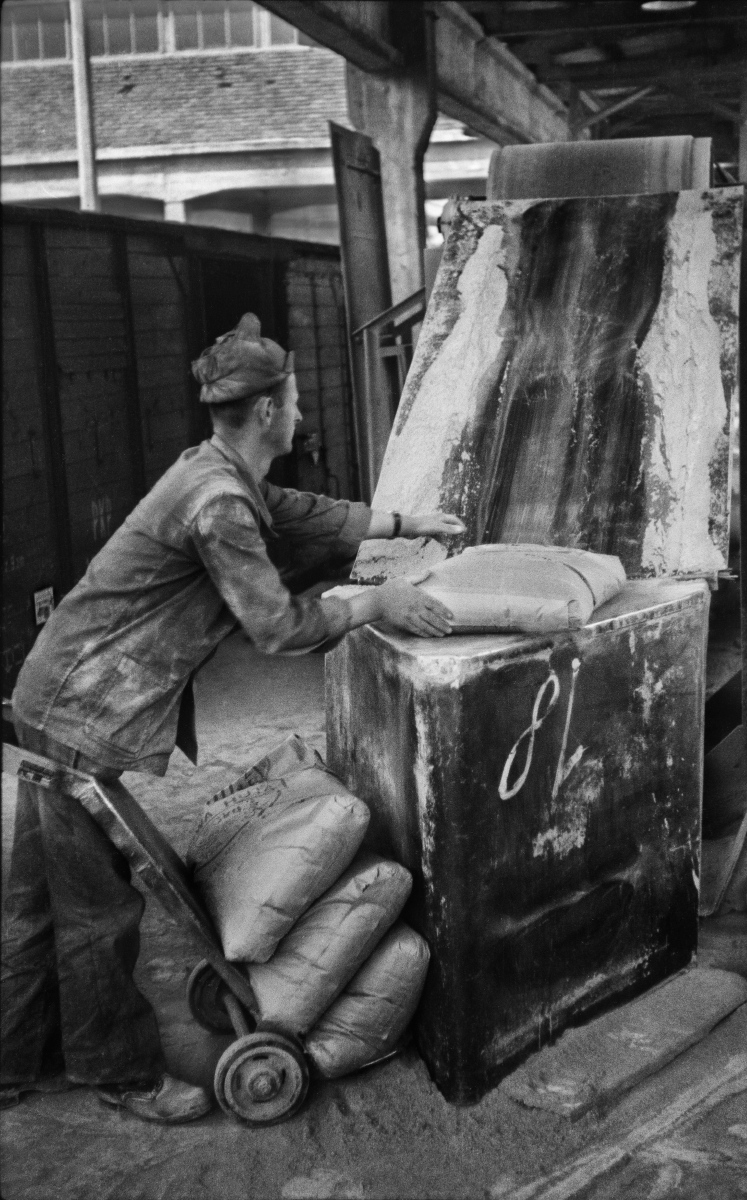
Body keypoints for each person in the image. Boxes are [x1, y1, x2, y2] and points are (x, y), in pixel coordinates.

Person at [1, 312, 464, 1123]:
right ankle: (121, 1073)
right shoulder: (217, 502)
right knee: (98, 911)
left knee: (36, 902)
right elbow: (276, 628)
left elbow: (296, 509)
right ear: (267, 411)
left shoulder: (217, 469)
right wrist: (373, 602)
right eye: (295, 402)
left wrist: (404, 523)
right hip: (84, 710)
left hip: (61, 694)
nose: (301, 414)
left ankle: (14, 1060)